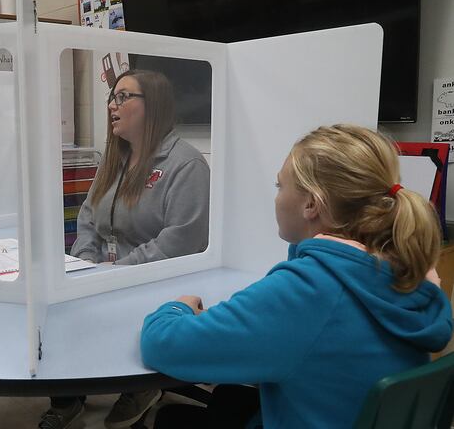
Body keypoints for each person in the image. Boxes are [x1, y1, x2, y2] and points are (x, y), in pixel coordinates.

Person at [141, 124, 454, 428]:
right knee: (231, 397)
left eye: (280, 185)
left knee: (174, 417)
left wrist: (178, 308)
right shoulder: (401, 272)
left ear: (311, 204)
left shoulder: (310, 289)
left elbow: (163, 344)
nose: (276, 197)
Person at [38, 70, 210, 429]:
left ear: (154, 107)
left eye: (123, 97)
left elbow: (179, 241)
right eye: (112, 98)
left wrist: (114, 275)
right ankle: (67, 396)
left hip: (151, 284)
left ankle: (140, 386)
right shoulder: (115, 158)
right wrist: (85, 265)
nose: (113, 106)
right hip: (104, 276)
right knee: (57, 308)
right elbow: (88, 217)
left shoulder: (186, 164)